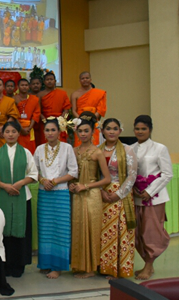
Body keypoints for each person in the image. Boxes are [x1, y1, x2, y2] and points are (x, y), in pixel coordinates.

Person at [0, 121, 38, 277]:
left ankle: (18, 266)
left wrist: (20, 183)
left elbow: (34, 174)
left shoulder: (26, 153)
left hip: (22, 198)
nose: (10, 134)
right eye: (7, 131)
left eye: (13, 131)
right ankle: (3, 265)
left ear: (18, 133)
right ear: (3, 134)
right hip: (1, 196)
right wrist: (4, 186)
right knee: (2, 232)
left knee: (20, 230)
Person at [33, 119, 78, 279]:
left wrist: (55, 181)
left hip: (61, 193)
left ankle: (58, 267)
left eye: (53, 130)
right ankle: (45, 263)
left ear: (59, 132)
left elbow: (74, 172)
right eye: (47, 130)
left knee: (60, 229)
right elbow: (33, 171)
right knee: (45, 229)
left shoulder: (67, 148)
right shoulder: (39, 149)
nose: (50, 133)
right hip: (44, 193)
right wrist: (43, 180)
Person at [131, 115, 172, 280]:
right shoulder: (130, 148)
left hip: (154, 198)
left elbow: (167, 174)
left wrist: (149, 190)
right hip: (136, 196)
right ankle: (148, 263)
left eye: (143, 129)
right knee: (137, 233)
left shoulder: (159, 148)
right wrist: (133, 189)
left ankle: (148, 266)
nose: (140, 132)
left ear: (150, 130)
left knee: (151, 233)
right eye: (137, 129)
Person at [70, 116, 112, 278]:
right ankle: (80, 265)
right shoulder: (73, 151)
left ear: (92, 132)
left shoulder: (97, 152)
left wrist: (86, 186)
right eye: (80, 131)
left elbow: (106, 179)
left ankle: (92, 268)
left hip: (92, 194)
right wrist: (72, 185)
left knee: (91, 230)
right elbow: (72, 175)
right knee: (79, 229)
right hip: (78, 195)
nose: (83, 134)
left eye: (86, 131)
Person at [98, 118, 138, 279]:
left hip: (121, 195)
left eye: (115, 128)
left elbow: (132, 176)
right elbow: (94, 176)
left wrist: (118, 194)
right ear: (102, 131)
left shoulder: (127, 150)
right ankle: (104, 266)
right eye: (108, 128)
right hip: (101, 196)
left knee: (118, 232)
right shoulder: (97, 150)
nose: (112, 131)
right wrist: (101, 191)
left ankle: (118, 268)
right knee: (103, 232)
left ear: (120, 131)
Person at [72, 72, 107, 146]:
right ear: (79, 80)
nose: (85, 80)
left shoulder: (98, 93)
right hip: (80, 122)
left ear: (90, 79)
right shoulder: (75, 94)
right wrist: (81, 120)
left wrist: (92, 118)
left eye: (87, 78)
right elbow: (73, 110)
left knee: (94, 145)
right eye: (82, 78)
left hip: (93, 122)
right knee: (80, 144)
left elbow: (100, 109)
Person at [37, 72, 71, 145]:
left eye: (51, 79)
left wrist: (60, 119)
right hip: (45, 122)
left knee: (61, 143)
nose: (49, 81)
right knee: (45, 143)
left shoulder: (63, 93)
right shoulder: (40, 94)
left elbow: (66, 109)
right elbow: (38, 110)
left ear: (55, 81)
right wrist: (45, 120)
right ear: (44, 82)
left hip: (59, 121)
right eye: (47, 79)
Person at [13, 79, 41, 154]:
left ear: (29, 87)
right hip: (17, 128)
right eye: (22, 85)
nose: (24, 87)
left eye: (26, 85)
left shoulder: (34, 99)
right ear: (18, 87)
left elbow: (36, 114)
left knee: (30, 149)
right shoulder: (13, 99)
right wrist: (21, 128)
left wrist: (29, 128)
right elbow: (13, 115)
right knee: (18, 150)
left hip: (29, 127)